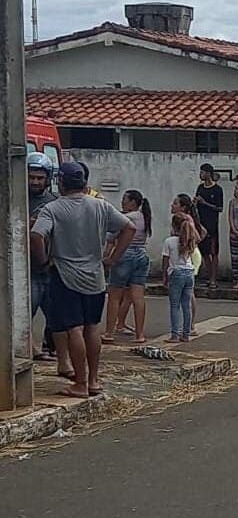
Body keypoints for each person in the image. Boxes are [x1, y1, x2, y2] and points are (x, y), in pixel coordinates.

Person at [30, 162, 136, 398]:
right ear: (84, 183)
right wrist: (112, 258)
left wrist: (43, 260)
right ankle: (94, 380)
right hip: (95, 276)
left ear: (61, 182)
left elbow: (36, 235)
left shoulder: (53, 209)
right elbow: (129, 228)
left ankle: (80, 383)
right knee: (92, 328)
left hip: (65, 275)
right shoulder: (101, 206)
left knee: (73, 329)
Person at [27, 152, 67, 373]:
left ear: (47, 178)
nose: (35, 181)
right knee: (26, 312)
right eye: (31, 177)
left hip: (50, 268)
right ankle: (31, 350)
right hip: (27, 269)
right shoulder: (15, 200)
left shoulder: (54, 204)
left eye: (39, 178)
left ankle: (50, 349)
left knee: (56, 314)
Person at [102, 190, 152, 345]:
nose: (122, 202)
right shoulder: (144, 217)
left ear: (132, 202)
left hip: (125, 254)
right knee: (138, 296)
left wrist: (108, 258)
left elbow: (111, 238)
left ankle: (109, 332)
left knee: (115, 296)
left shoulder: (125, 218)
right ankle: (140, 334)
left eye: (125, 199)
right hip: (141, 254)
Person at [172, 194, 206, 335]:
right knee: (188, 292)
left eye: (175, 203)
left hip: (190, 256)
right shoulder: (183, 219)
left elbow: (198, 236)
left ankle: (191, 324)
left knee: (189, 292)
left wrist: (188, 245)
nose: (172, 205)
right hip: (189, 254)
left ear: (183, 207)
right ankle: (189, 324)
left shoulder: (185, 220)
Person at [163, 214, 199, 343]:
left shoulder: (169, 241)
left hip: (176, 272)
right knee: (186, 305)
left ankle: (174, 334)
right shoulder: (190, 239)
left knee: (174, 305)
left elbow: (166, 261)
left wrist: (165, 277)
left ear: (173, 226)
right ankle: (186, 333)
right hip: (189, 272)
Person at [194, 163, 223, 289]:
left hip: (212, 225)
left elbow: (219, 208)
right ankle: (208, 275)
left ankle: (214, 279)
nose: (200, 174)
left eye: (202, 172)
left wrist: (204, 203)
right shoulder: (200, 188)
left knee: (213, 252)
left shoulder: (217, 189)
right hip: (201, 224)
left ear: (208, 173)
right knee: (204, 252)